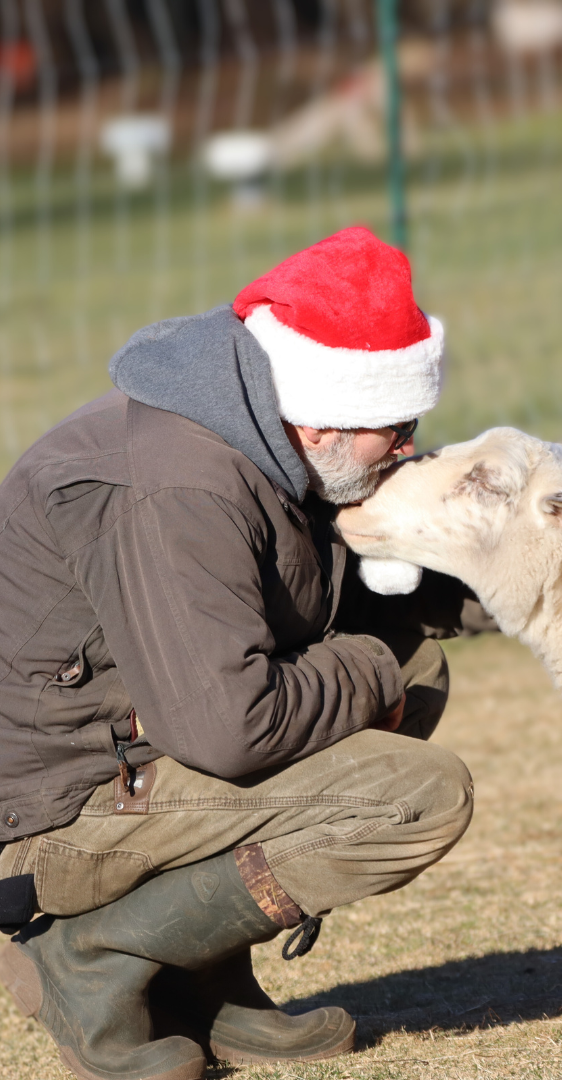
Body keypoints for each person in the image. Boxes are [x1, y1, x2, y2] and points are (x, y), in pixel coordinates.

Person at [0, 227, 488, 1080]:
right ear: (326, 415)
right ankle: (92, 960)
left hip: (138, 752)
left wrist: (514, 565)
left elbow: (308, 609)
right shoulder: (178, 484)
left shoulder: (264, 441)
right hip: (45, 814)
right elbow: (229, 729)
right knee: (416, 795)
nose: (409, 442)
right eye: (397, 424)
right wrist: (369, 670)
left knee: (419, 665)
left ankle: (199, 983)